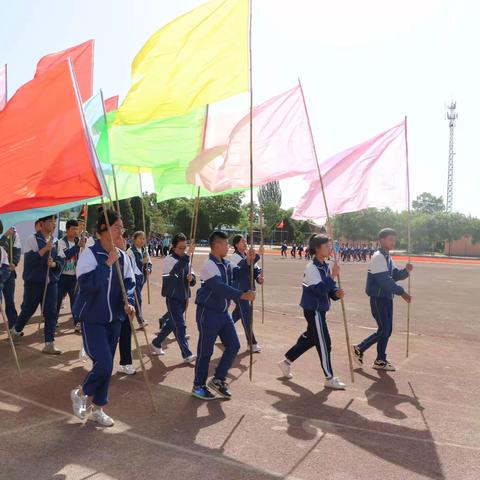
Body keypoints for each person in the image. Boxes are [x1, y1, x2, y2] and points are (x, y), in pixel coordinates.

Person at [70, 208, 136, 427]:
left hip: (114, 319)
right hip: (92, 319)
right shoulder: (90, 254)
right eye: (116, 227)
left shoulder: (123, 256)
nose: (120, 231)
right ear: (102, 230)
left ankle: (98, 409)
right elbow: (86, 285)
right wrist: (106, 264)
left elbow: (128, 283)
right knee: (105, 364)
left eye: (121, 227)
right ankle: (80, 393)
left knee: (105, 366)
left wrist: (129, 303)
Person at [192, 231, 256, 400]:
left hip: (222, 312)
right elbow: (219, 287)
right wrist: (241, 295)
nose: (228, 247)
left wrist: (250, 261)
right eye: (226, 244)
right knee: (205, 351)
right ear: (217, 245)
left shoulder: (227, 264)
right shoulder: (209, 265)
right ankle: (198, 385)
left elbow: (241, 272)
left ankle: (218, 379)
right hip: (208, 313)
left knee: (233, 345)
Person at [278, 234, 346, 390]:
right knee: (324, 343)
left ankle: (286, 362)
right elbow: (319, 290)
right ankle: (329, 377)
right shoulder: (311, 268)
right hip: (313, 310)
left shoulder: (326, 266)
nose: (330, 249)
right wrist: (332, 276)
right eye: (327, 246)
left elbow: (329, 289)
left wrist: (336, 293)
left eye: (330, 246)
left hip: (320, 310)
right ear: (317, 248)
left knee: (311, 338)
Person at [351, 228, 412, 371]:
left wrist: (406, 271)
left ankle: (380, 360)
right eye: (390, 239)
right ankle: (359, 348)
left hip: (386, 298)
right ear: (382, 240)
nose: (393, 242)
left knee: (387, 330)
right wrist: (402, 292)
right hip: (378, 298)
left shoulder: (387, 257)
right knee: (384, 330)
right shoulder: (378, 257)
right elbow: (384, 281)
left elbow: (395, 275)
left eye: (394, 239)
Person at [10, 216, 64, 354]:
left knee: (51, 312)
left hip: (51, 283)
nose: (52, 224)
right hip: (34, 282)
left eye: (54, 222)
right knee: (28, 309)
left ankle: (49, 343)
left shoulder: (57, 242)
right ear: (41, 224)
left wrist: (53, 264)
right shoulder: (32, 239)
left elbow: (60, 262)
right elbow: (30, 261)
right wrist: (45, 249)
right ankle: (16, 330)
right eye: (49, 222)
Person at [151, 233, 196, 362]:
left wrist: (191, 278)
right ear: (173, 247)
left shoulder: (187, 259)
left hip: (184, 296)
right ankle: (186, 353)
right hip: (173, 297)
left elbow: (192, 277)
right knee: (180, 325)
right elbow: (173, 276)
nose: (183, 250)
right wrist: (186, 257)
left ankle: (157, 342)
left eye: (184, 248)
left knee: (172, 323)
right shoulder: (169, 259)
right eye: (180, 248)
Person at [229, 235, 263, 353]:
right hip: (239, 291)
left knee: (238, 314)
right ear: (236, 244)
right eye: (242, 241)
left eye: (245, 241)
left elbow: (256, 269)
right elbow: (243, 269)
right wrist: (253, 257)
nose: (245, 243)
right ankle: (251, 343)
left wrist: (259, 277)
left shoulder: (246, 255)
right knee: (247, 316)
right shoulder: (234, 257)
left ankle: (222, 329)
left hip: (249, 290)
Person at [57, 219, 84, 332]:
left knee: (75, 300)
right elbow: (66, 255)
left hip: (74, 277)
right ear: (67, 230)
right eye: (73, 229)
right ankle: (53, 320)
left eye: (77, 229)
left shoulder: (81, 242)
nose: (75, 231)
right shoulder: (61, 242)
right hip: (62, 276)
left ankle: (77, 322)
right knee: (57, 300)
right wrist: (78, 247)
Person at [127, 231, 151, 328]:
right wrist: (142, 262)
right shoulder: (130, 251)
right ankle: (139, 320)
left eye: (143, 238)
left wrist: (148, 268)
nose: (142, 240)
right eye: (140, 238)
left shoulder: (145, 251)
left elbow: (149, 262)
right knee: (138, 299)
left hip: (142, 279)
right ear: (134, 239)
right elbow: (132, 266)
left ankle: (130, 318)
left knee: (135, 299)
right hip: (134, 278)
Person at [0, 226, 21, 329]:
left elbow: (17, 249)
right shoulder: (7, 233)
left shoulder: (13, 232)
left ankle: (13, 326)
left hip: (8, 272)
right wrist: (4, 236)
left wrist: (14, 262)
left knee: (10, 301)